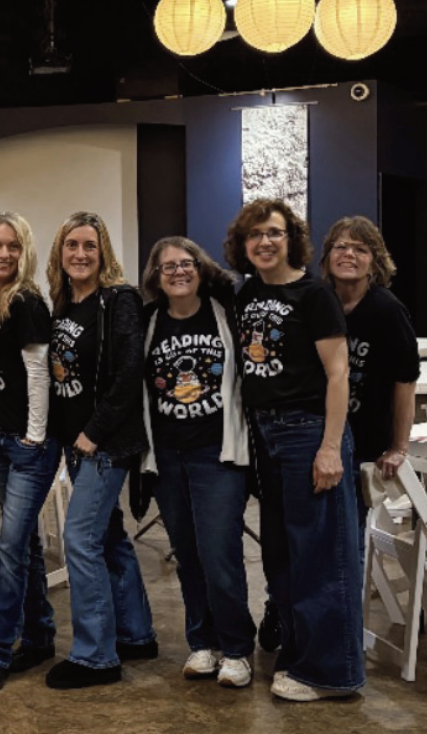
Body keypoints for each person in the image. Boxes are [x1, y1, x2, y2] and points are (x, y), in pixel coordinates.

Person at [225, 198, 363, 701]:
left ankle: (331, 673)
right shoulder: (245, 294)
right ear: (243, 245)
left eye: (275, 233)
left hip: (308, 431)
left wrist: (330, 448)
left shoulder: (314, 295)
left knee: (321, 556)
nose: (265, 241)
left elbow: (338, 373)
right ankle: (299, 655)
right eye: (255, 234)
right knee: (283, 554)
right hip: (265, 435)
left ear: (292, 240)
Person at [44, 212, 156, 690]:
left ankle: (95, 656)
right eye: (72, 245)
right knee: (109, 537)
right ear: (60, 252)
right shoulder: (63, 303)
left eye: (90, 245)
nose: (81, 254)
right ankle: (136, 634)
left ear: (103, 251)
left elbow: (129, 374)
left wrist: (93, 431)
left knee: (80, 540)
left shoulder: (119, 300)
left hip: (105, 443)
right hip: (75, 442)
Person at [139, 237, 255, 687]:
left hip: (217, 454)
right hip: (167, 457)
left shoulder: (226, 315)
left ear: (201, 269)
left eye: (186, 263)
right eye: (168, 267)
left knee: (219, 553)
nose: (178, 272)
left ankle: (238, 650)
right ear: (156, 277)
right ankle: (202, 644)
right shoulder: (149, 322)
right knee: (187, 555)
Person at [0, 212, 60, 695]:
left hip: (26, 446)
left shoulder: (26, 301)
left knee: (8, 546)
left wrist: (35, 436)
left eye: (12, 246)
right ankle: (40, 633)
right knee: (22, 544)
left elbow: (40, 373)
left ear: (24, 251)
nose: (3, 254)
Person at [319, 216, 419, 546]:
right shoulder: (317, 303)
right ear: (327, 256)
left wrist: (398, 446)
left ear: (374, 261)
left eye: (360, 249)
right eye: (341, 246)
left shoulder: (387, 310)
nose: (349, 254)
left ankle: (352, 595)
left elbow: (406, 381)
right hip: (320, 436)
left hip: (366, 442)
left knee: (350, 534)